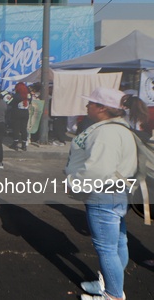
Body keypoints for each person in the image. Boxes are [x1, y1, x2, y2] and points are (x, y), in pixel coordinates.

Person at [65, 87, 137, 300]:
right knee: (118, 242)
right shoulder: (120, 127)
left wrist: (74, 183)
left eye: (91, 103)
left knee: (106, 248)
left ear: (102, 107)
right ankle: (109, 283)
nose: (87, 105)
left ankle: (113, 295)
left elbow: (98, 169)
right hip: (117, 192)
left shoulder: (106, 132)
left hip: (102, 193)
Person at [8, 82, 31, 151]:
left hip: (17, 113)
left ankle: (15, 143)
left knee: (16, 128)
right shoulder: (28, 96)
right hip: (25, 113)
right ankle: (24, 145)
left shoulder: (16, 96)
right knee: (24, 129)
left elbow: (9, 103)